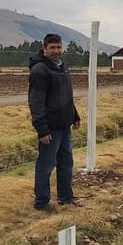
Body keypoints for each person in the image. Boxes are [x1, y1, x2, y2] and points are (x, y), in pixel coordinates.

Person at [29, 34, 81, 210]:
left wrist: (74, 115)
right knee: (46, 164)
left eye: (58, 47)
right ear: (44, 48)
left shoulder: (62, 66)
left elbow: (67, 95)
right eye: (52, 47)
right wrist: (42, 129)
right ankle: (42, 202)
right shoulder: (40, 70)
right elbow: (36, 102)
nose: (56, 51)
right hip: (50, 127)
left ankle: (66, 198)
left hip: (64, 125)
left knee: (66, 162)